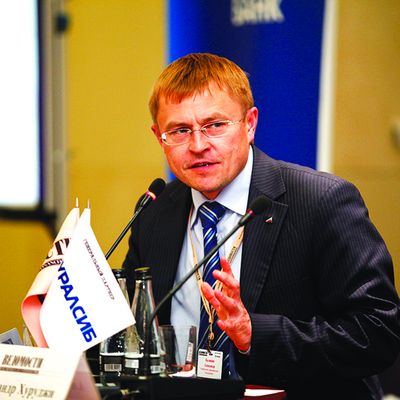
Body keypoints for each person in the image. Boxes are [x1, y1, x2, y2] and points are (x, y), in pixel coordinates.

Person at [123, 53, 400, 399]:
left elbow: (377, 331)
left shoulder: (321, 201)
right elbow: (130, 327)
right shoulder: (154, 212)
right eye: (180, 131)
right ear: (158, 136)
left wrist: (255, 334)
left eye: (215, 125)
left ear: (250, 124)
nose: (198, 145)